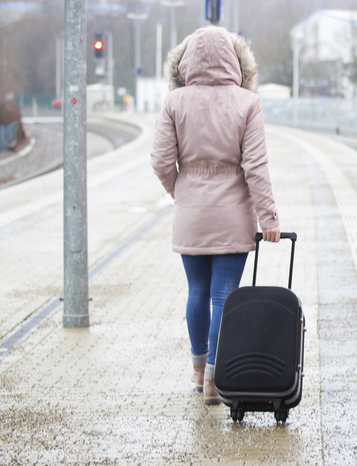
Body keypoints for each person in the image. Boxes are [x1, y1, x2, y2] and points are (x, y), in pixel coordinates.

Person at [151, 26, 280, 406]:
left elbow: (160, 161)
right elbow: (256, 165)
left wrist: (181, 190)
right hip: (233, 214)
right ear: (236, 61)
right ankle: (214, 377)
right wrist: (269, 219)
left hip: (191, 214)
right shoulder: (247, 103)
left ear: (184, 62)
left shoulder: (175, 101)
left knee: (197, 292)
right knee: (225, 294)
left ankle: (196, 369)